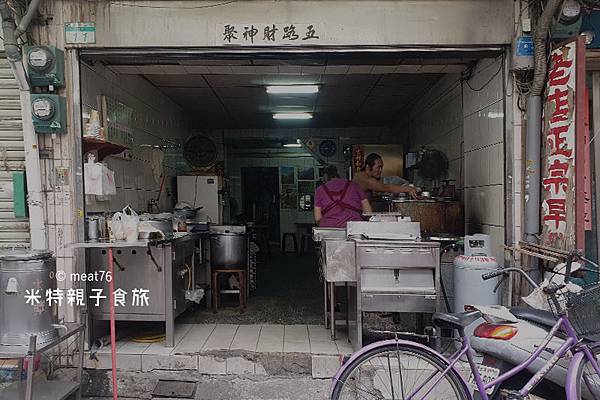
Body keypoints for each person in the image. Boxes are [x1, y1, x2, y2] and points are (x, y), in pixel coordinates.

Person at [353, 153, 418, 200]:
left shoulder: (360, 175)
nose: (380, 170)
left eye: (381, 167)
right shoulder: (365, 179)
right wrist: (408, 188)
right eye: (378, 167)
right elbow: (386, 187)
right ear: (368, 167)